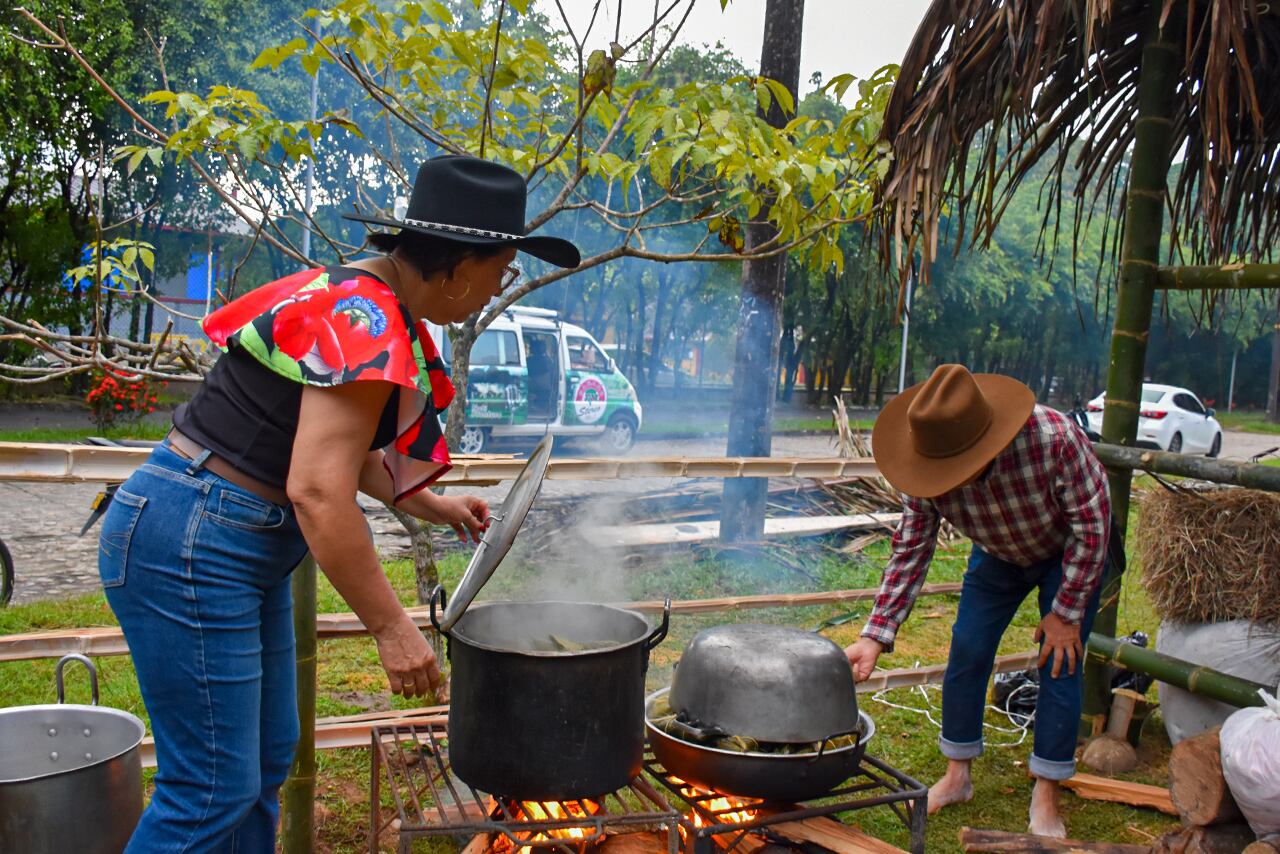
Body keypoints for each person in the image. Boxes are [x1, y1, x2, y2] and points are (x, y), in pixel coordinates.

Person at [96, 155, 580, 852]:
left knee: (262, 761)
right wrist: (392, 628)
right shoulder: (365, 316)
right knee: (209, 790)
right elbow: (318, 489)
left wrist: (435, 506)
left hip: (222, 533)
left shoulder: (367, 297)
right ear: (463, 265)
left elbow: (335, 455)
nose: (496, 288)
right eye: (502, 271)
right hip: (194, 539)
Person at [845, 364, 1111, 838]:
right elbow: (911, 548)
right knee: (967, 649)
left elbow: (1093, 529)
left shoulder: (1055, 439)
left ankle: (1045, 794)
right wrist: (875, 634)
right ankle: (957, 776)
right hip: (997, 552)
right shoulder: (924, 458)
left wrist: (1066, 613)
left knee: (1060, 660)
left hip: (1068, 551)